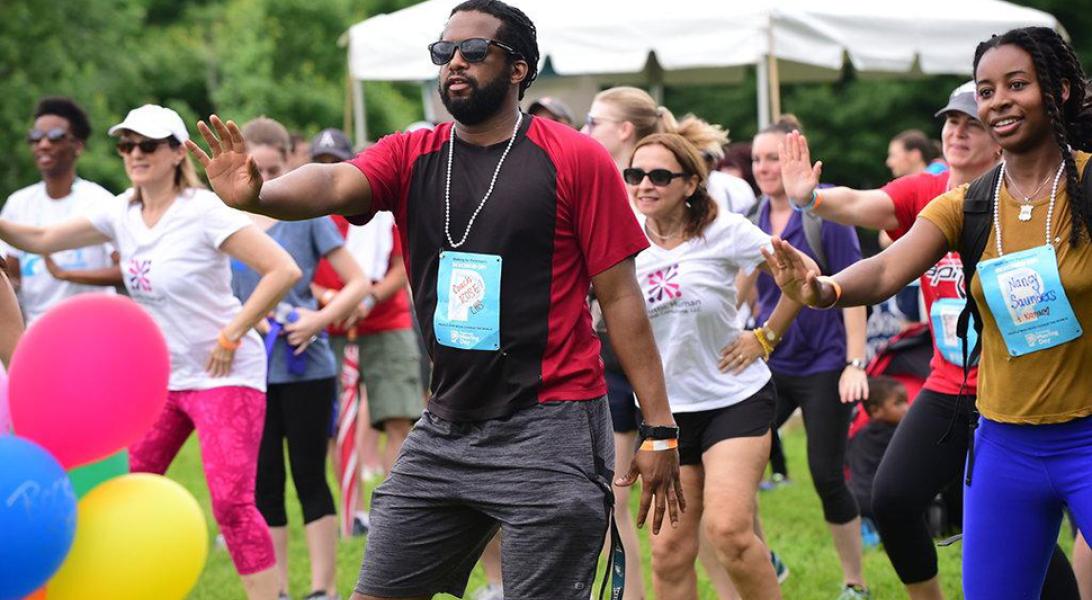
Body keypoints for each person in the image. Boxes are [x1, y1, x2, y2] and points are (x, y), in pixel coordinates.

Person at [187, 2, 684, 599]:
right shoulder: (412, 153)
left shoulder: (574, 159)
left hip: (550, 424)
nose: (455, 63)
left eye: (474, 52)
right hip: (447, 425)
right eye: (443, 52)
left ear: (519, 68)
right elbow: (332, 181)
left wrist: (659, 429)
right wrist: (262, 195)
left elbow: (622, 297)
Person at [763, 26, 1092, 599]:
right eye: (987, 91)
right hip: (1004, 444)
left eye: (1018, 84)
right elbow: (888, 269)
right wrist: (822, 290)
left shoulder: (1087, 187)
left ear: (1059, 91)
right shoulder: (967, 203)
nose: (998, 102)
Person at [0, 104, 301, 600]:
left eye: (147, 145)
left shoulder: (202, 210)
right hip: (166, 380)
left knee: (231, 504)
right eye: (126, 145)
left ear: (177, 152)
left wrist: (232, 333)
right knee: (122, 488)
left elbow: (282, 270)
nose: (134, 154)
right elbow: (44, 237)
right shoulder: (120, 211)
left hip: (224, 374)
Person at [628, 121, 812, 599]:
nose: (645, 184)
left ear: (690, 184)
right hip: (666, 413)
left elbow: (802, 275)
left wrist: (766, 336)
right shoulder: (622, 239)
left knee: (729, 531)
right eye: (636, 174)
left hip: (734, 397)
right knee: (668, 553)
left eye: (659, 176)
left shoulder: (723, 230)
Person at [237, 117, 367, 600]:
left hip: (307, 368)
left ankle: (323, 588)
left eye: (274, 169)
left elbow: (356, 282)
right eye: (257, 169)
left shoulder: (305, 215)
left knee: (310, 475)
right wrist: (248, 319)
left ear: (289, 162)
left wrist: (318, 320)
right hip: (250, 372)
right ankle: (277, 591)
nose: (264, 180)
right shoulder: (226, 217)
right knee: (265, 482)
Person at [752, 115, 872, 599]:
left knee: (826, 475)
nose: (764, 167)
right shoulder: (754, 215)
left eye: (773, 158)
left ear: (794, 160)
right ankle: (764, 562)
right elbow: (747, 290)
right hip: (773, 362)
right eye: (757, 158)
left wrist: (855, 363)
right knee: (733, 468)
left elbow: (855, 288)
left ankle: (855, 583)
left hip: (825, 364)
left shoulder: (823, 212)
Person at [309, 126, 425, 537]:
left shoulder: (376, 205)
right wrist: (329, 300)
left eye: (336, 162)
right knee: (336, 423)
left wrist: (370, 297)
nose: (328, 171)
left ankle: (395, 511)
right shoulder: (310, 211)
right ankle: (353, 510)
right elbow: (298, 269)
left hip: (385, 322)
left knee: (399, 416)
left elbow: (401, 265)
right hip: (331, 325)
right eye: (320, 164)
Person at [1, 97, 119, 324]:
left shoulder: (100, 201)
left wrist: (67, 275)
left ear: (78, 146)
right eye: (36, 137)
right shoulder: (18, 203)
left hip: (93, 333)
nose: (44, 144)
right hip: (39, 335)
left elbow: (127, 271)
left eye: (55, 137)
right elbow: (13, 277)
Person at [846, 376, 908, 522]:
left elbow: (846, 460)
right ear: (875, 411)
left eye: (906, 401)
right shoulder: (897, 436)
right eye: (898, 403)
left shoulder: (860, 434)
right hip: (881, 500)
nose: (907, 408)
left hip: (855, 498)